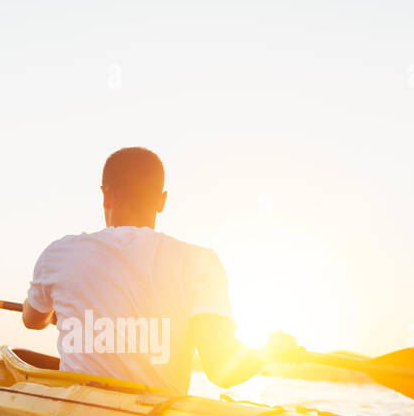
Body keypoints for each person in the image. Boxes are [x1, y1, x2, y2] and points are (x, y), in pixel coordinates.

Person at [22, 147, 299, 392]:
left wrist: (56, 314)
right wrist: (268, 352)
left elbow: (32, 320)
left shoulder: (58, 254)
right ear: (162, 200)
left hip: (75, 413)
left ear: (106, 196)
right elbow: (221, 370)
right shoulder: (201, 262)